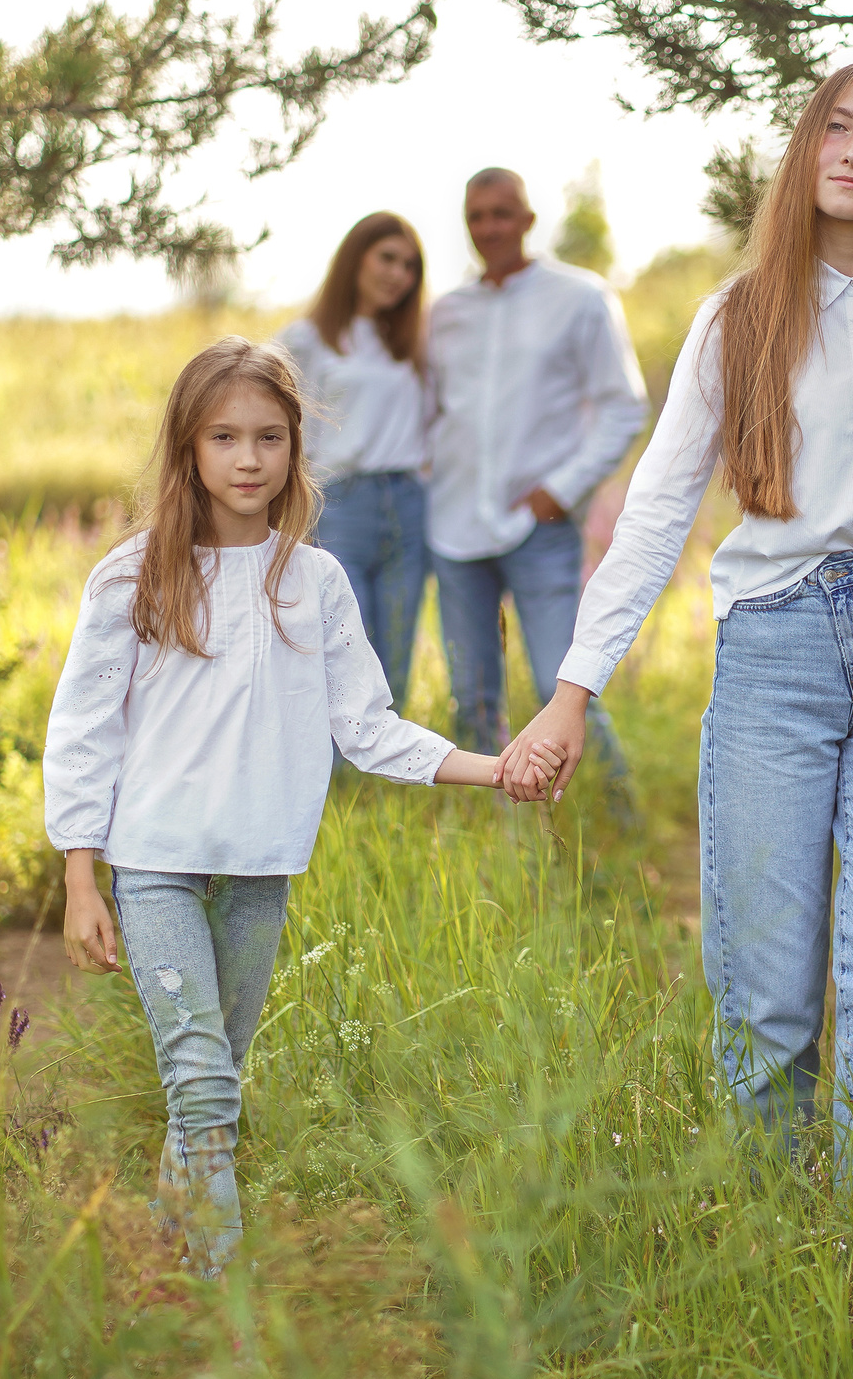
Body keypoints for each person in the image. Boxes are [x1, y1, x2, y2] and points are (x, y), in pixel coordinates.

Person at [501, 60, 853, 1187]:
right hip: (776, 654)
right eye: (835, 126)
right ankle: (777, 1223)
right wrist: (571, 695)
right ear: (805, 150)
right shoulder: (737, 320)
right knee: (770, 980)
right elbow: (650, 520)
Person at [43, 337, 559, 1277]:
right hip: (153, 860)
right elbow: (85, 728)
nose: (249, 459)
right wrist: (81, 874)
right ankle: (224, 1304)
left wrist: (498, 768)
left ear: (294, 450)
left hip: (260, 867)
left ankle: (169, 1267)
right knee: (201, 1081)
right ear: (188, 447)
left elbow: (366, 726)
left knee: (212, 1083)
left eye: (270, 438)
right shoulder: (130, 575)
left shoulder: (312, 581)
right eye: (226, 437)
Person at [424, 167, 648, 789]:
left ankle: (610, 815)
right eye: (477, 216)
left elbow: (623, 406)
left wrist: (563, 488)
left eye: (502, 213)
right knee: (470, 695)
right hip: (454, 526)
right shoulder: (447, 313)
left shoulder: (581, 297)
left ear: (526, 220)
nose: (489, 227)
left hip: (539, 527)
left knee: (562, 682)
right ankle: (487, 823)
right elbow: (433, 408)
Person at [277, 212, 432, 713]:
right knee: (344, 644)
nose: (398, 274)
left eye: (409, 266)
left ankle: (392, 778)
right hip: (341, 501)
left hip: (409, 501)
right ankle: (340, 777)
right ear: (355, 258)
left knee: (396, 642)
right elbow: (280, 428)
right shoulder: (306, 338)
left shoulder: (410, 342)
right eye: (387, 258)